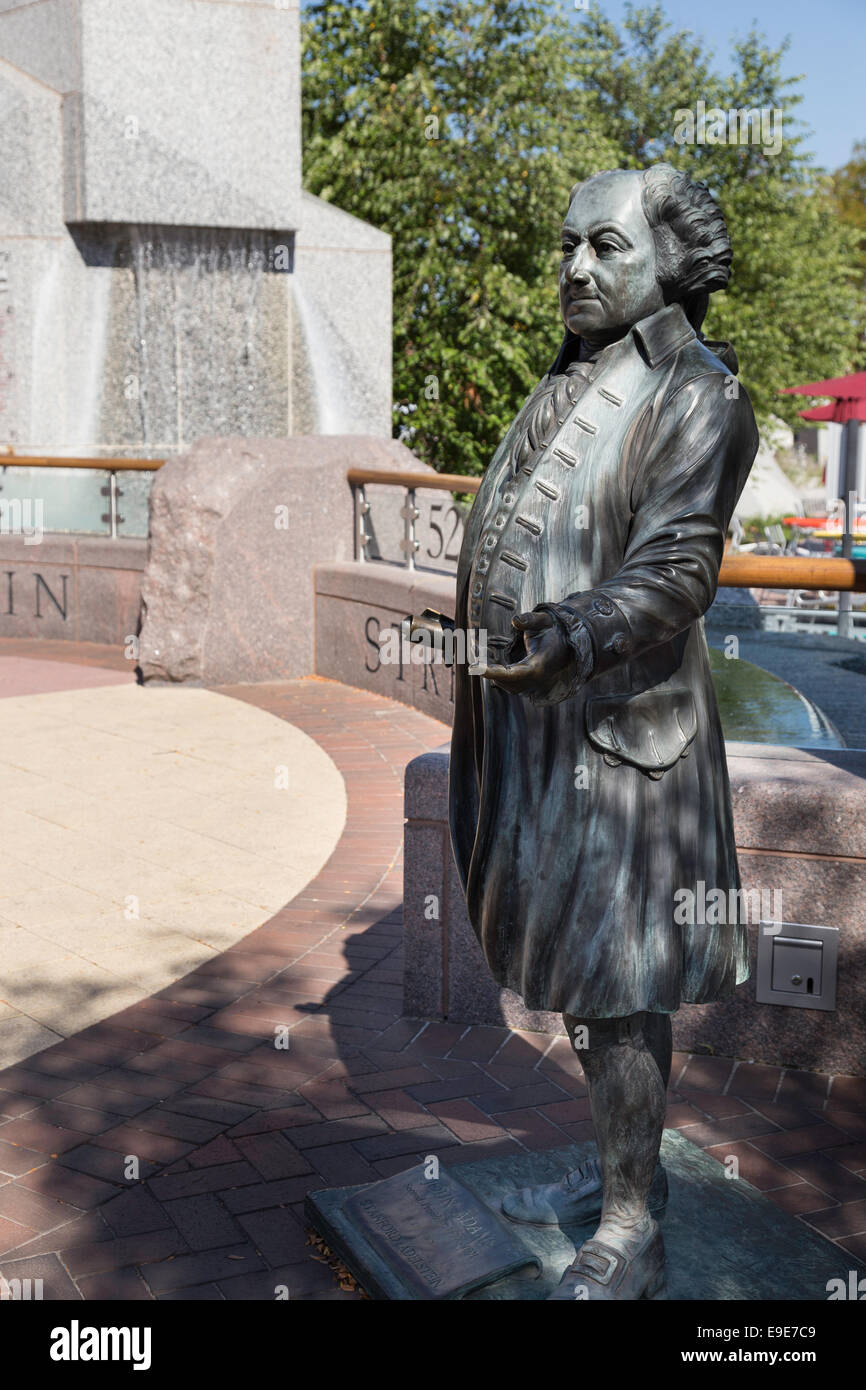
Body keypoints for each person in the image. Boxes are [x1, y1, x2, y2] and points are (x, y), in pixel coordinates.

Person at [448, 164, 759, 1300]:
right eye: (567, 246)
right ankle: (616, 1169)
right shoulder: (570, 377)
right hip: (535, 731)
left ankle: (634, 1221)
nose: (574, 268)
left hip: (627, 742)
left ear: (667, 264)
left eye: (605, 249)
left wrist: (573, 631)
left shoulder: (696, 392)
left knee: (620, 985)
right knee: (580, 976)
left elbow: (677, 570)